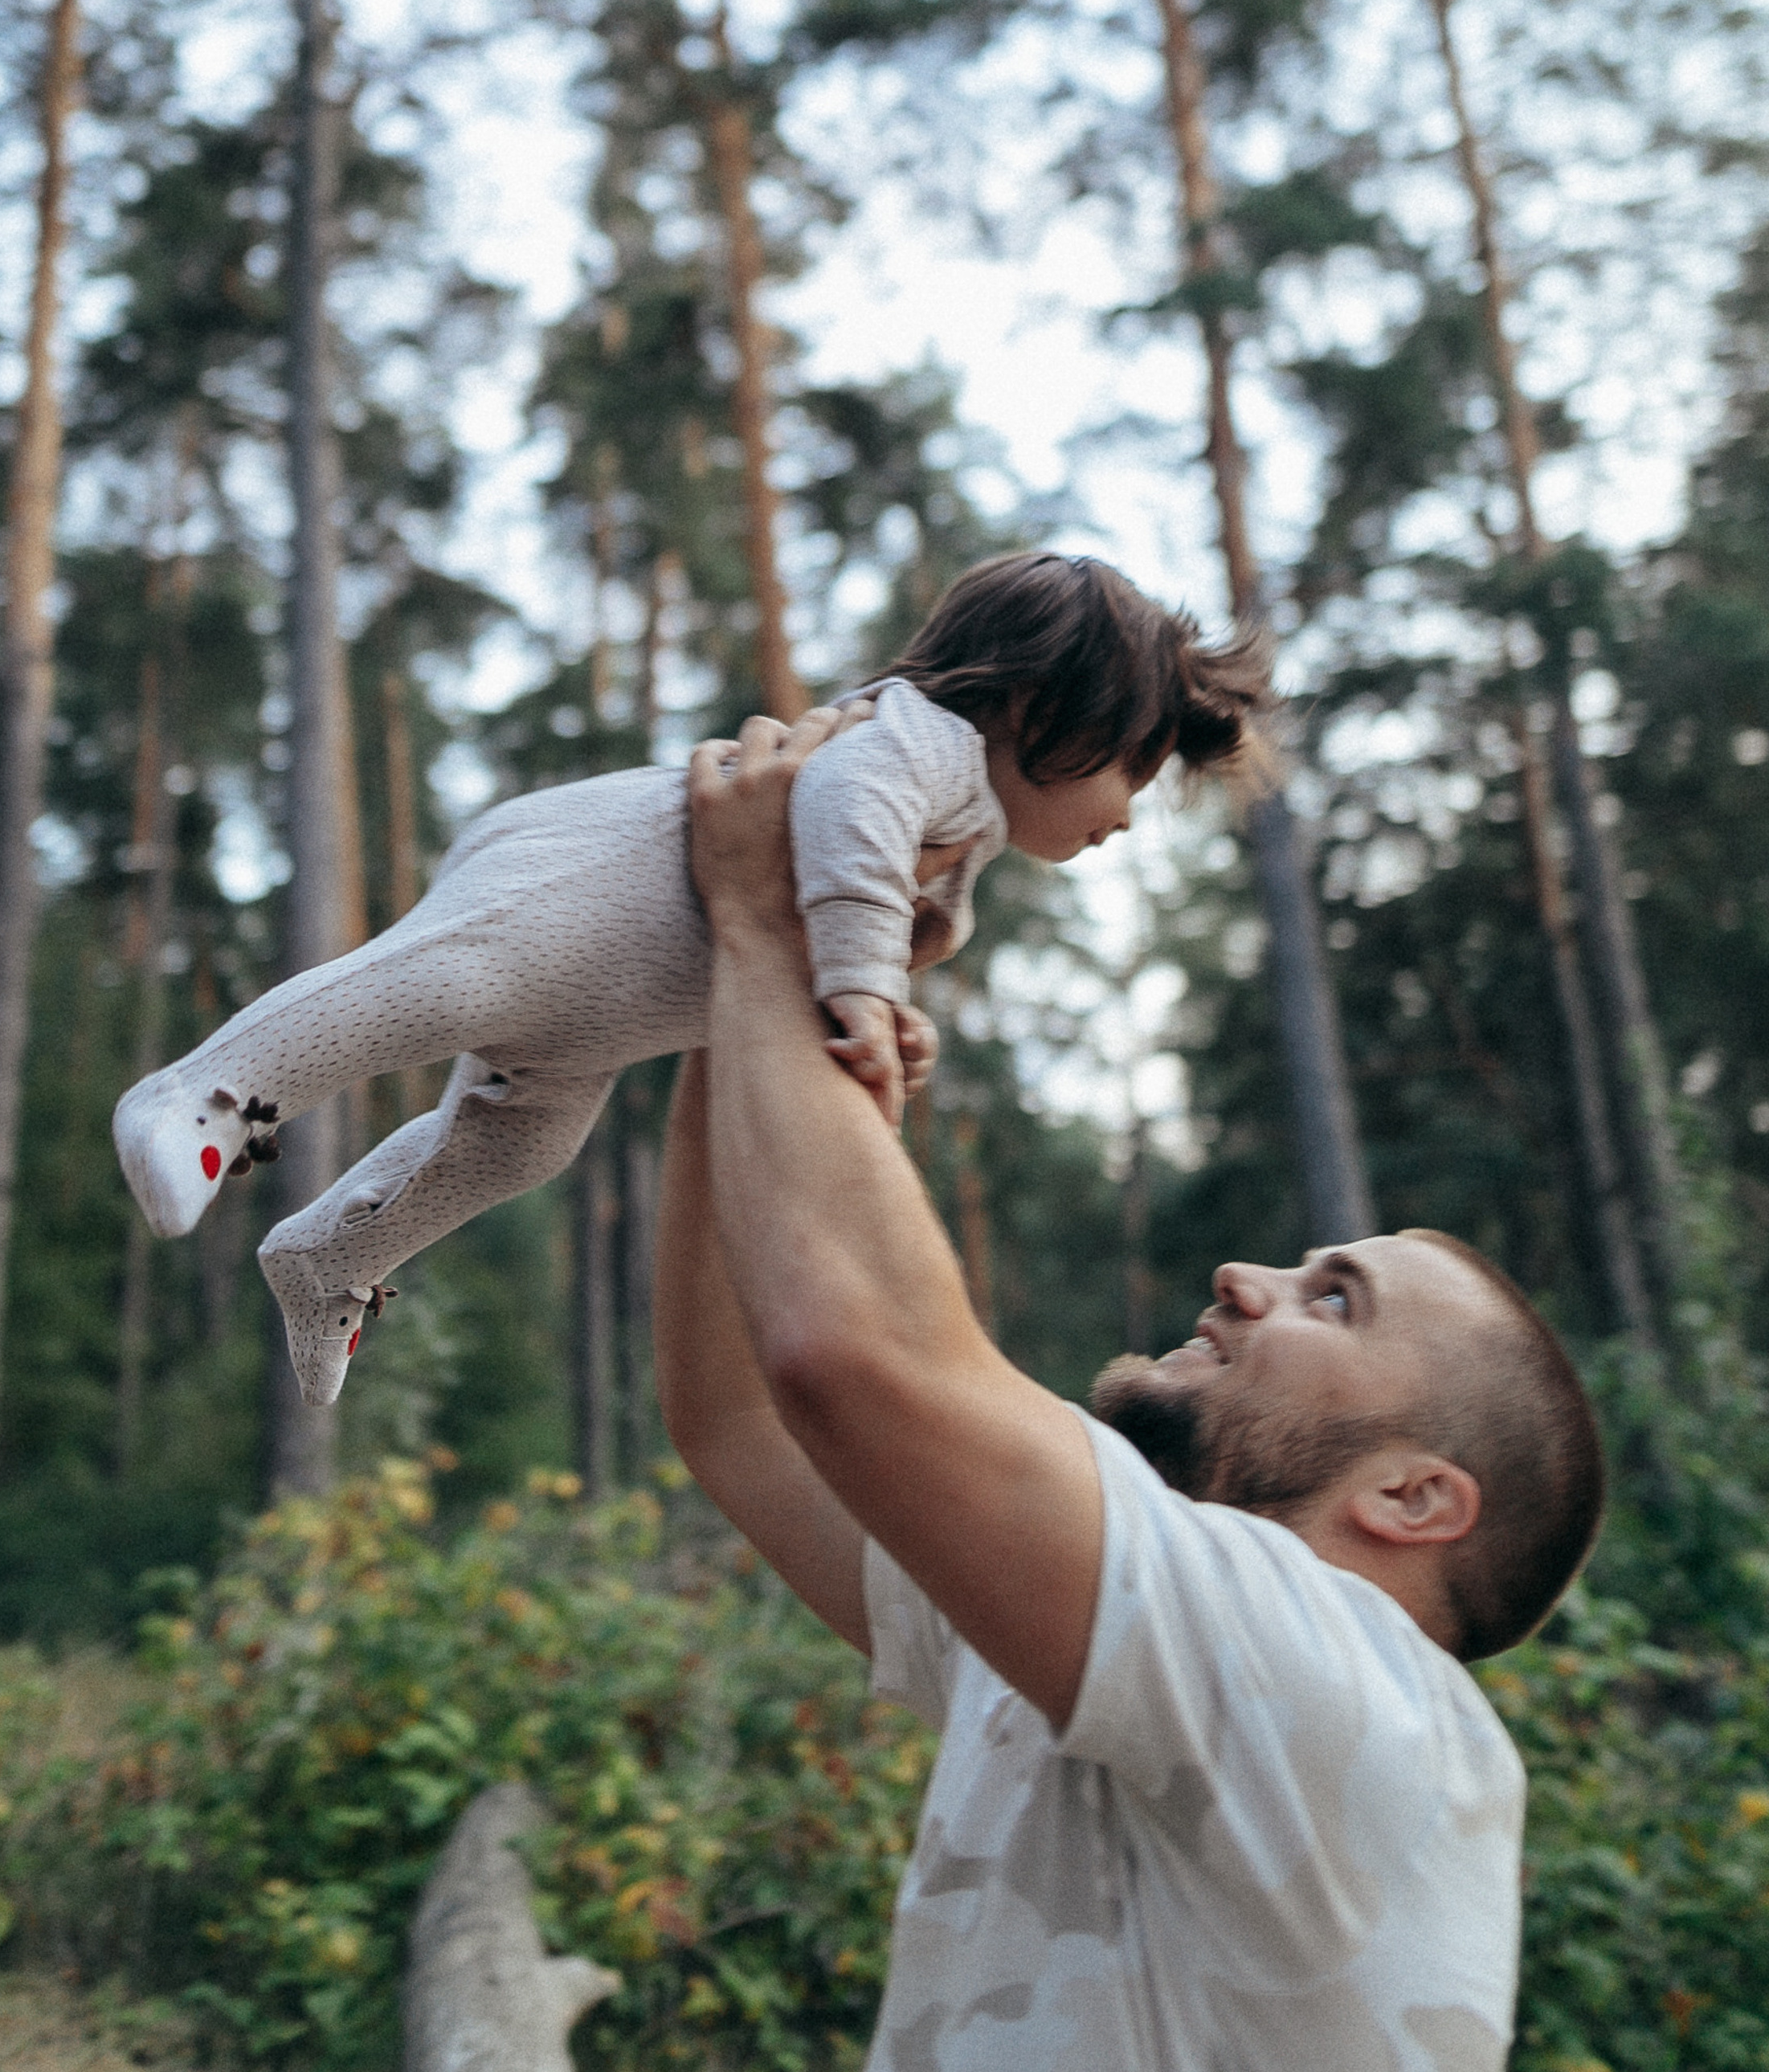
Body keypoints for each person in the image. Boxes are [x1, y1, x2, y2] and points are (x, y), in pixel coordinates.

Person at [659, 707, 1607, 2072]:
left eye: (1333, 1297)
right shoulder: (1132, 1658)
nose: (1240, 1276)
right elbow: (743, 1419)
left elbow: (851, 1355)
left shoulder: (1352, 1680)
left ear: (1415, 1497)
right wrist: (751, 988)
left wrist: (758, 922)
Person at [114, 554, 1265, 1404]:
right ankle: (200, 1096)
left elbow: (832, 919)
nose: (1129, 811)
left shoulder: (966, 836)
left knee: (521, 1145)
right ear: (1032, 708)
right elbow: (843, 811)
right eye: (1137, 766)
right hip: (577, 886)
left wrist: (879, 1008)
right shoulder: (926, 745)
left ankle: (331, 1258)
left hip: (608, 1013)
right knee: (451, 985)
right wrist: (867, 983)